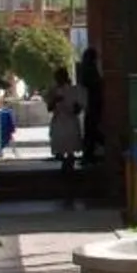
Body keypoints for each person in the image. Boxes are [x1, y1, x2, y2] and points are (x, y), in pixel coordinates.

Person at [47, 67, 85, 202]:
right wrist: (55, 100)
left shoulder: (74, 91)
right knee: (60, 147)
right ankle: (65, 168)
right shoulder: (53, 91)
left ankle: (69, 168)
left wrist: (72, 105)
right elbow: (49, 108)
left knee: (70, 148)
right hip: (59, 121)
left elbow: (78, 108)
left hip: (70, 121)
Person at [77, 46, 104, 163]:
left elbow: (85, 85)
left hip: (92, 103)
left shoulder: (87, 69)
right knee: (91, 129)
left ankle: (89, 153)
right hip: (94, 102)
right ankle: (90, 153)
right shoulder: (91, 69)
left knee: (91, 129)